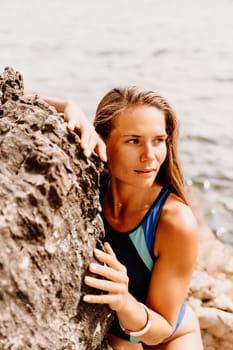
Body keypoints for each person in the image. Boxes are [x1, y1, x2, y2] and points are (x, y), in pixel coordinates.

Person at [42, 87, 203, 350]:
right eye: (133, 140)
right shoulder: (88, 181)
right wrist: (65, 106)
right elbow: (13, 93)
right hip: (120, 337)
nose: (150, 156)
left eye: (159, 140)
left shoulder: (175, 222)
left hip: (169, 337)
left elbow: (161, 330)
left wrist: (123, 299)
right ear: (103, 140)